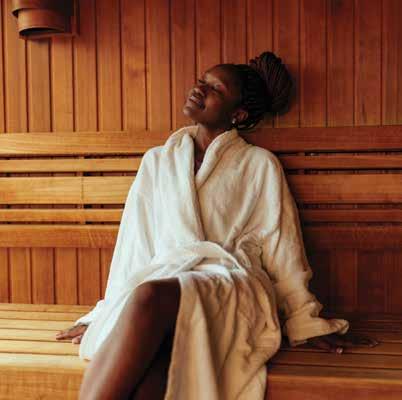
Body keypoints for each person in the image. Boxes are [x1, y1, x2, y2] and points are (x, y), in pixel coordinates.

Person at [56, 52, 378, 400]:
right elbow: (135, 244)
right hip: (169, 285)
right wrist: (108, 312)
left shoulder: (258, 165)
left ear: (238, 114)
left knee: (149, 295)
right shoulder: (158, 161)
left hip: (231, 286)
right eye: (201, 81)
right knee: (153, 375)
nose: (199, 89)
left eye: (215, 88)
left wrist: (304, 320)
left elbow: (282, 246)